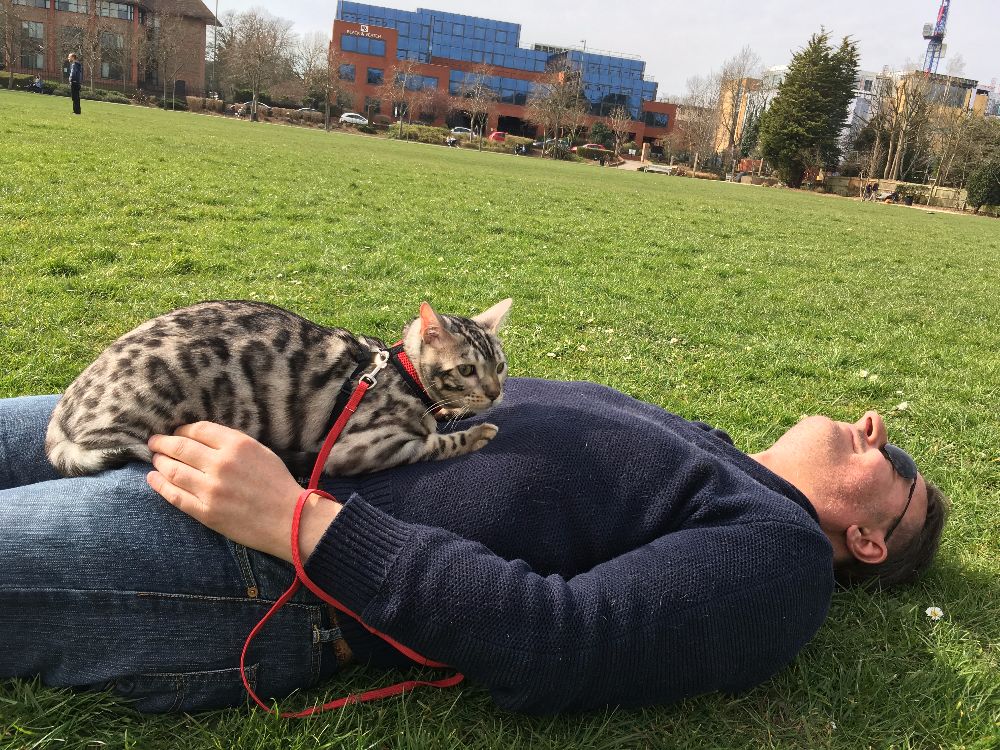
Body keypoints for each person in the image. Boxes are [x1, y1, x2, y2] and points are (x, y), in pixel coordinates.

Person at [0, 378, 948, 714]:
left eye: (893, 462)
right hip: (263, 434)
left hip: (267, 566)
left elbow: (564, 642)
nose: (873, 425)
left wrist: (296, 520)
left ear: (868, 541)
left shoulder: (780, 557)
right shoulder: (707, 446)